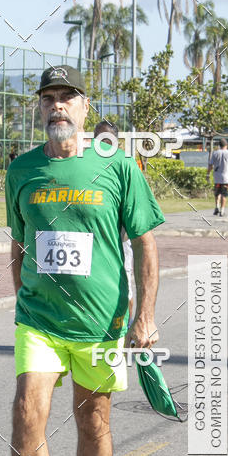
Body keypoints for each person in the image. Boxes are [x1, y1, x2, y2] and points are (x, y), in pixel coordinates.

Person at [0, 65, 164, 456]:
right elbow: (19, 241)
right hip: (39, 320)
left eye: (68, 97)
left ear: (85, 107)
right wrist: (22, 293)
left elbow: (145, 242)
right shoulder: (22, 169)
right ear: (39, 109)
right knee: (27, 412)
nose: (58, 106)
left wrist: (145, 317)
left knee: (94, 421)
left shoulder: (118, 167)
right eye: (49, 99)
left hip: (102, 323)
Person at [94, 120, 135, 323]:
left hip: (120, 243)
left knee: (125, 290)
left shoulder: (124, 166)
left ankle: (126, 328)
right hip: (94, 245)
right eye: (98, 138)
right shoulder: (87, 166)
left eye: (106, 139)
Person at [207, 138, 228, 216]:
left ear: (219, 145)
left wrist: (208, 174)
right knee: (224, 194)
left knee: (217, 193)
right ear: (226, 145)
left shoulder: (215, 153)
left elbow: (210, 165)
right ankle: (222, 210)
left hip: (217, 177)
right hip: (226, 178)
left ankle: (217, 207)